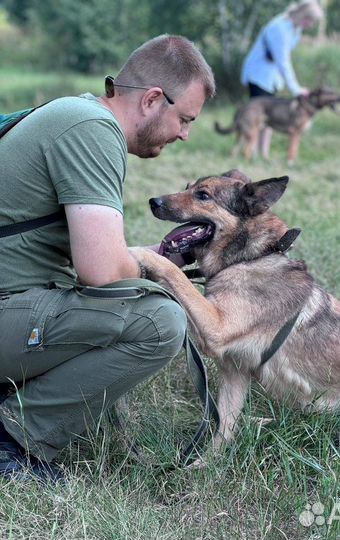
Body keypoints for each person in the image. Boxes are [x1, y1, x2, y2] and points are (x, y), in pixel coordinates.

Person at [0, 34, 215, 481]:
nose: (185, 134)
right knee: (160, 321)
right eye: (184, 119)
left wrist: (142, 258)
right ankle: (14, 439)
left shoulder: (75, 113)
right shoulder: (92, 131)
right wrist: (160, 268)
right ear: (153, 99)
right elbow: (100, 271)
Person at [240, 0, 324, 157]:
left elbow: (285, 60)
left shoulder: (295, 30)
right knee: (259, 117)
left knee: (269, 117)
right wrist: (296, 89)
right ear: (302, 15)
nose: (311, 25)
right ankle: (253, 154)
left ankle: (263, 154)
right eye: (310, 21)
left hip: (272, 78)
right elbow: (283, 61)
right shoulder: (279, 28)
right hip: (259, 75)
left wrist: (289, 84)